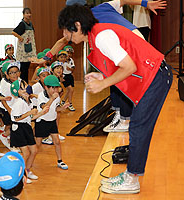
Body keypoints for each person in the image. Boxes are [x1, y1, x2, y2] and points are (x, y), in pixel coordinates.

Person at [57, 4, 172, 194]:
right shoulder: (97, 34)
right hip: (154, 75)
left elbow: (129, 67)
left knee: (138, 126)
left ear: (77, 25)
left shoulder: (101, 36)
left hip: (155, 77)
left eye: (66, 32)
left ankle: (131, 179)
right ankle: (130, 175)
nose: (66, 37)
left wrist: (103, 84)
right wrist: (103, 77)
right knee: (137, 125)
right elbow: (122, 64)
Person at [10, 80, 49, 184]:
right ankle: (20, 174)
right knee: (26, 153)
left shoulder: (28, 102)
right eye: (22, 88)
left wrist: (41, 113)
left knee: (34, 150)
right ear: (17, 92)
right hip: (18, 128)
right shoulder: (19, 103)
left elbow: (31, 117)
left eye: (25, 86)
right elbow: (17, 118)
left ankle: (27, 170)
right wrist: (29, 113)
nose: (25, 89)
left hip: (26, 127)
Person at [35, 75, 70, 170]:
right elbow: (44, 108)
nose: (55, 90)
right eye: (53, 88)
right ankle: (29, 160)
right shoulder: (41, 96)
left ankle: (60, 161)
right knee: (37, 145)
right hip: (41, 121)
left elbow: (56, 108)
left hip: (52, 121)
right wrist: (52, 99)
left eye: (57, 87)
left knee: (57, 142)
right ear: (46, 87)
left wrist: (62, 108)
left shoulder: (57, 97)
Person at [12, 8, 37, 82]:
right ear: (23, 14)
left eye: (30, 13)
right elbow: (13, 32)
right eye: (27, 13)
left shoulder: (31, 23)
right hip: (23, 51)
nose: (29, 14)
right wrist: (20, 37)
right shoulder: (22, 24)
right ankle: (23, 83)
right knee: (23, 69)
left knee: (27, 68)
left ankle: (25, 83)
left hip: (29, 49)